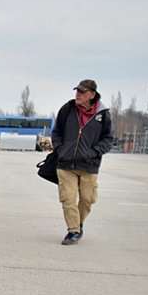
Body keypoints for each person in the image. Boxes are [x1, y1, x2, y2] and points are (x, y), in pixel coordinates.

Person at [50, 79, 114, 245]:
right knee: (68, 199)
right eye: (77, 91)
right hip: (65, 164)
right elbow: (56, 132)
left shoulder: (103, 114)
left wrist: (94, 152)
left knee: (87, 199)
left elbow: (108, 139)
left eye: (82, 92)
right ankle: (73, 231)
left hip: (89, 165)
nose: (78, 94)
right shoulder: (68, 109)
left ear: (92, 95)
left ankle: (78, 223)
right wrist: (60, 149)